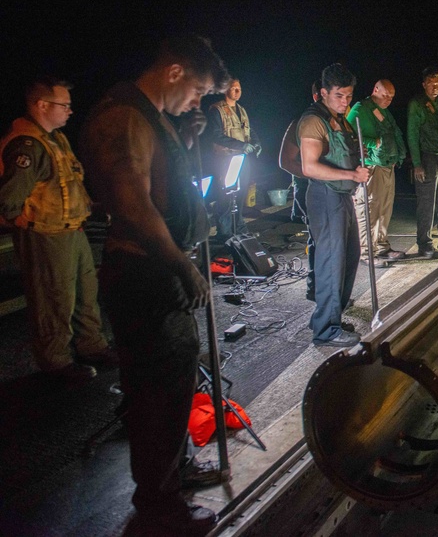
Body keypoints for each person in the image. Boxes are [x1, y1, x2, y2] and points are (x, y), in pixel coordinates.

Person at [80, 34, 229, 536]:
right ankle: (159, 510)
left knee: (175, 382)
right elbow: (131, 202)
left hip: (159, 268)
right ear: (173, 72)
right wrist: (180, 265)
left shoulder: (154, 117)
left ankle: (174, 474)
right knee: (156, 394)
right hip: (145, 272)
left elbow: (166, 187)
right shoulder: (123, 117)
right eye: (199, 91)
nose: (199, 101)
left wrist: (185, 140)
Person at [0, 76, 115, 384]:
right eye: (64, 105)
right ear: (41, 105)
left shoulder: (55, 138)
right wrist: (19, 221)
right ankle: (56, 362)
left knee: (84, 292)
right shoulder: (28, 146)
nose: (70, 111)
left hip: (71, 231)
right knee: (54, 299)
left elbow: (69, 182)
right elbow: (9, 197)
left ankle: (91, 346)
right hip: (47, 235)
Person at [297, 63, 368, 347]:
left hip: (342, 196)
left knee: (351, 255)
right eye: (339, 95)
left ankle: (332, 316)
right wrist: (351, 174)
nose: (345, 102)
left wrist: (359, 169)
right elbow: (309, 167)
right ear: (324, 92)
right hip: (324, 196)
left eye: (349, 96)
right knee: (330, 262)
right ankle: (326, 330)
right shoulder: (313, 120)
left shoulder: (342, 118)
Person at [347, 78, 406, 261]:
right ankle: (366, 251)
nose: (388, 99)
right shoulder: (360, 108)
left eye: (392, 97)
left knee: (384, 209)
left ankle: (381, 247)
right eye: (385, 95)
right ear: (375, 90)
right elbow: (347, 134)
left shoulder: (383, 111)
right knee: (369, 208)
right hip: (371, 166)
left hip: (387, 165)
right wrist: (374, 143)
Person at [278, 80, 320, 300]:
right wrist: (315, 173)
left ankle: (329, 289)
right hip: (309, 189)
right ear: (318, 95)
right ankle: (315, 288)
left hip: (332, 191)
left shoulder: (336, 123)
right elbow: (285, 161)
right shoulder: (301, 123)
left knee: (332, 242)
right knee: (318, 238)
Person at [205, 78, 260, 242]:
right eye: (233, 88)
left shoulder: (241, 110)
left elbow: (250, 130)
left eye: (239, 88)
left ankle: (239, 227)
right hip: (225, 158)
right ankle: (225, 231)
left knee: (241, 192)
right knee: (226, 195)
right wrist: (241, 145)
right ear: (225, 90)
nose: (237, 91)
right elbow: (215, 135)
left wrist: (257, 143)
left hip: (242, 157)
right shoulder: (216, 110)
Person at [406, 66, 438, 258]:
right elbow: (412, 133)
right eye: (431, 83)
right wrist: (417, 163)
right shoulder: (417, 104)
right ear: (424, 84)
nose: (435, 87)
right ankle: (424, 243)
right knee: (427, 202)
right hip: (428, 157)